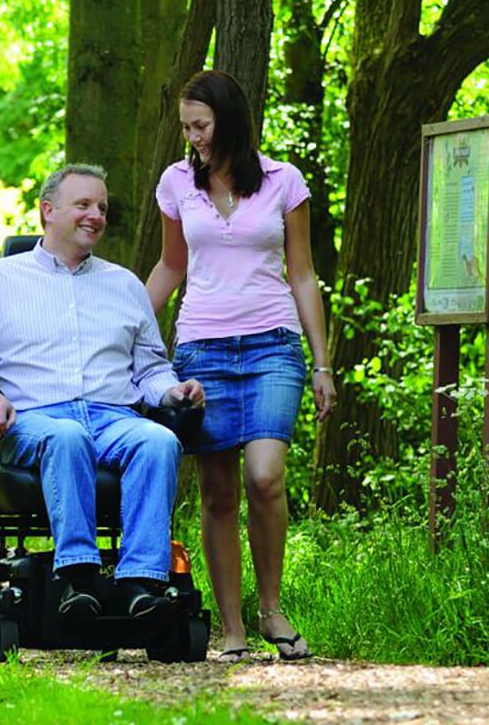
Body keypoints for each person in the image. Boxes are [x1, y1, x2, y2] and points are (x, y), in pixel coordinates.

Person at [0, 163, 204, 622]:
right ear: (48, 210)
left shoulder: (124, 284)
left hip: (112, 417)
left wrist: (173, 391)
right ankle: (76, 578)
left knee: (159, 441)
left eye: (101, 207)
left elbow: (149, 368)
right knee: (67, 436)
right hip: (32, 419)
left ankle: (140, 585)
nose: (96, 215)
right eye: (83, 204)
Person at [145, 70, 337, 661]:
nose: (193, 137)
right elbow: (171, 266)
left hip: (272, 346)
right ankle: (232, 629)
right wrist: (121, 323)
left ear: (227, 120)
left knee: (264, 476)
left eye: (199, 125)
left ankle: (272, 611)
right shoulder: (177, 182)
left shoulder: (284, 181)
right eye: (186, 127)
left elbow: (302, 273)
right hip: (201, 349)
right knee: (218, 493)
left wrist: (322, 363)